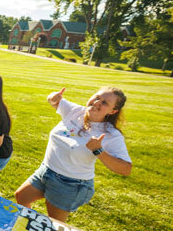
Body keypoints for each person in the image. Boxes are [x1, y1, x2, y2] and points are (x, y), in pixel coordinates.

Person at [15, 87, 131, 222]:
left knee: (55, 225)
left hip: (70, 184)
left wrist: (99, 151)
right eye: (97, 97)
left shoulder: (111, 134)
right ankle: (27, 227)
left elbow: (126, 169)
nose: (98, 102)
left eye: (105, 103)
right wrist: (53, 97)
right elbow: (53, 100)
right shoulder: (75, 111)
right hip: (46, 170)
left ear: (113, 111)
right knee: (21, 197)